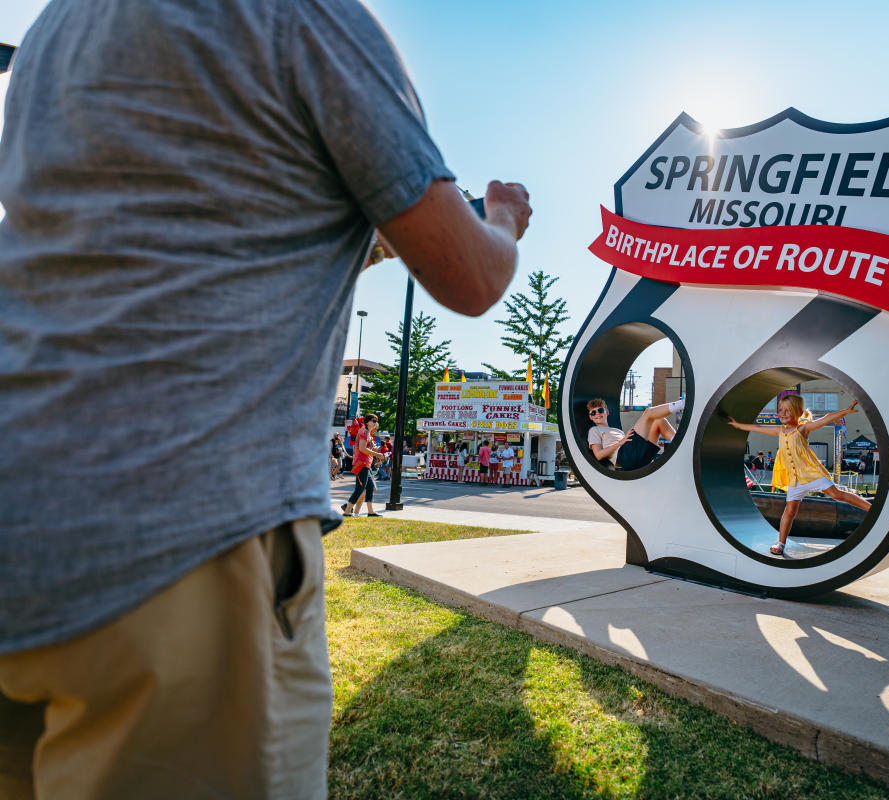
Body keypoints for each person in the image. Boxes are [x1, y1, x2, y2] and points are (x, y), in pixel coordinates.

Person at [0, 2, 534, 795]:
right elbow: (471, 274)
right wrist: (503, 220)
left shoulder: (58, 29)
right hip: (183, 545)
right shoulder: (305, 17)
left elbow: (214, 240)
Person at [726, 395, 870, 556]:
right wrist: (738, 425)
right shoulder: (779, 431)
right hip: (795, 480)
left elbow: (825, 419)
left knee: (836, 494)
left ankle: (871, 509)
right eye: (780, 410)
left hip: (811, 474)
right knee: (790, 510)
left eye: (788, 410)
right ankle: (780, 543)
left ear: (799, 412)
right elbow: (758, 428)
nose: (783, 413)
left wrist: (845, 411)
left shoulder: (803, 429)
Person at [587, 397, 685, 470]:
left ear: (606, 412)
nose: (597, 414)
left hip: (639, 457)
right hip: (624, 458)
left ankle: (681, 445)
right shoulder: (594, 430)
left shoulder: (617, 430)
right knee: (648, 412)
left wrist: (624, 440)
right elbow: (598, 455)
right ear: (590, 417)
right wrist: (620, 443)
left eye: (600, 410)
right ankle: (683, 403)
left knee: (659, 420)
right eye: (593, 413)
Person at [343, 415, 385, 518]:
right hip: (361, 463)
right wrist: (377, 455)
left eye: (376, 421)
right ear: (367, 422)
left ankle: (370, 512)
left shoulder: (369, 433)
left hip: (366, 463)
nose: (375, 423)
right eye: (373, 421)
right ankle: (347, 511)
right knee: (360, 489)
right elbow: (362, 448)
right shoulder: (364, 432)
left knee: (370, 488)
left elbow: (368, 448)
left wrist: (377, 451)